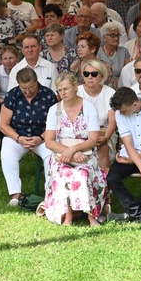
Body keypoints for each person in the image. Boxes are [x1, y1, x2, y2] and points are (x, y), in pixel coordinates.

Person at [43, 72, 107, 226]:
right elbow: (49, 142)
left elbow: (93, 139)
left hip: (85, 154)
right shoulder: (54, 110)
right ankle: (68, 215)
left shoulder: (89, 108)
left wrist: (74, 150)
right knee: (63, 173)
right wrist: (69, 152)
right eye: (59, 90)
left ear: (75, 88)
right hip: (61, 155)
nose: (63, 93)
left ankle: (91, 215)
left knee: (83, 173)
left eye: (66, 89)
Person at [106, 87, 141, 227]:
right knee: (112, 178)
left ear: (135, 105)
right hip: (129, 154)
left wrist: (138, 162)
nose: (122, 114)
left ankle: (130, 214)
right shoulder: (120, 114)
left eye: (124, 111)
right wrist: (140, 165)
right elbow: (128, 143)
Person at [0, 68, 58, 206]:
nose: (27, 91)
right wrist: (18, 138)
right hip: (18, 136)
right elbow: (3, 124)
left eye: (31, 87)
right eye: (23, 88)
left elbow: (56, 122)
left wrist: (41, 138)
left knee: (51, 155)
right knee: (7, 153)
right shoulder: (12, 95)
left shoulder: (48, 95)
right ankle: (15, 193)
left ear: (37, 81)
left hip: (43, 136)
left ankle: (51, 192)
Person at [77, 59, 116, 169]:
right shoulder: (77, 91)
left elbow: (113, 120)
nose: (90, 77)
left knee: (102, 149)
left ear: (102, 76)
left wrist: (106, 137)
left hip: (104, 132)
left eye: (94, 74)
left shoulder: (110, 93)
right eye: (86, 74)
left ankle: (104, 183)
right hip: (81, 132)